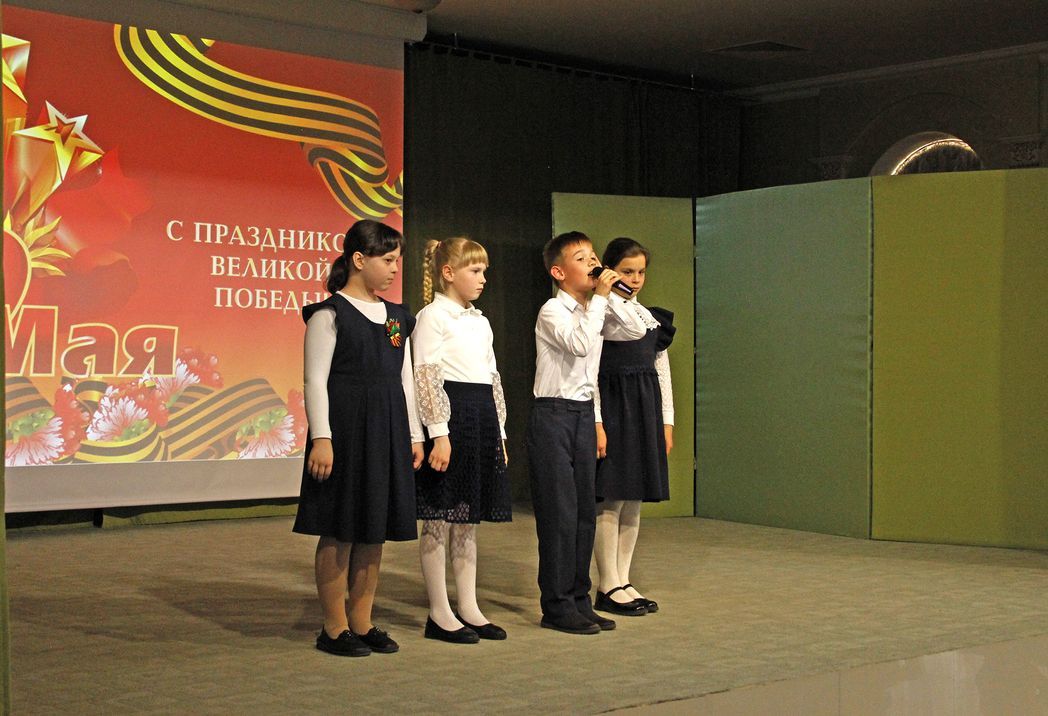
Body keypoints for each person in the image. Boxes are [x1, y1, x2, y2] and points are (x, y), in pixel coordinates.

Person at [293, 219, 425, 657]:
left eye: (397, 261)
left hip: (387, 429)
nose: (394, 269)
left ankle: (362, 621)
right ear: (358, 260)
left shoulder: (397, 317)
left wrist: (414, 435)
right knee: (340, 528)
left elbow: (405, 380)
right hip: (346, 430)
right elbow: (314, 380)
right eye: (387, 260)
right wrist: (322, 437)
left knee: (373, 529)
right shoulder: (329, 315)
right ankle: (334, 627)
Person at [527, 231, 647, 635]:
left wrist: (615, 294)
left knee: (582, 514)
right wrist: (600, 300)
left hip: (581, 414)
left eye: (594, 256)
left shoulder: (597, 308)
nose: (593, 263)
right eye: (582, 259)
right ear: (559, 272)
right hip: (552, 415)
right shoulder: (552, 311)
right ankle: (556, 606)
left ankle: (580, 599)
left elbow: (635, 331)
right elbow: (579, 345)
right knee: (559, 514)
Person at [412, 237, 513, 644]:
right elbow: (426, 375)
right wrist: (439, 433)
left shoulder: (480, 321)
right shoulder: (433, 317)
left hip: (480, 417)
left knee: (468, 519)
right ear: (448, 273)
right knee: (438, 515)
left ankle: (468, 606)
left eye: (484, 270)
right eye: (475, 270)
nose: (483, 278)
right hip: (451, 418)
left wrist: (499, 433)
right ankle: (439, 611)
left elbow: (492, 376)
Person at [592, 237, 675, 618]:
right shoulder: (604, 312)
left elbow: (662, 369)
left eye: (641, 272)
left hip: (644, 407)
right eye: (628, 271)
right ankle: (606, 582)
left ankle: (623, 579)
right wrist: (597, 420)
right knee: (612, 496)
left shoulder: (649, 315)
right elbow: (590, 371)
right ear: (611, 270)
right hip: (615, 407)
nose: (636, 279)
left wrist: (666, 420)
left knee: (635, 497)